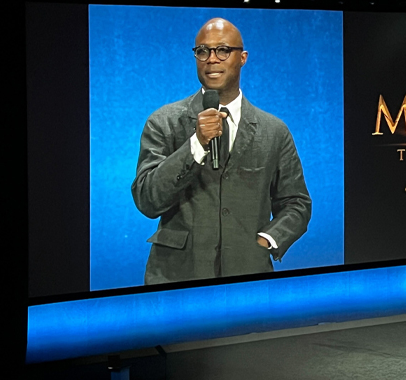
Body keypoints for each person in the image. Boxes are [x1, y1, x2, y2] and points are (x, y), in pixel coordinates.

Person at [131, 18, 312, 284]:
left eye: (223, 50)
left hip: (248, 272)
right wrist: (196, 144)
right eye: (203, 51)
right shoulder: (164, 121)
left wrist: (266, 241)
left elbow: (296, 203)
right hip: (176, 274)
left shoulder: (274, 131)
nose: (212, 59)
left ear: (243, 57)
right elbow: (148, 199)